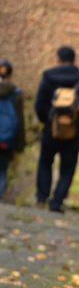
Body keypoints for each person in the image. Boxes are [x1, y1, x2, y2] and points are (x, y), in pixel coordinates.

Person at [34, 45, 79, 212]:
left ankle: (41, 198)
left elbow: (39, 105)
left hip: (50, 132)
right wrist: (78, 124)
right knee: (67, 169)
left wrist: (48, 122)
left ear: (58, 59)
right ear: (75, 61)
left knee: (45, 163)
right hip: (73, 135)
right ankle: (56, 202)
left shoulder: (47, 80)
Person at [0, 59, 26, 201]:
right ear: (10, 74)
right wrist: (20, 145)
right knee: (2, 172)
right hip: (6, 140)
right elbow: (19, 121)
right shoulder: (15, 93)